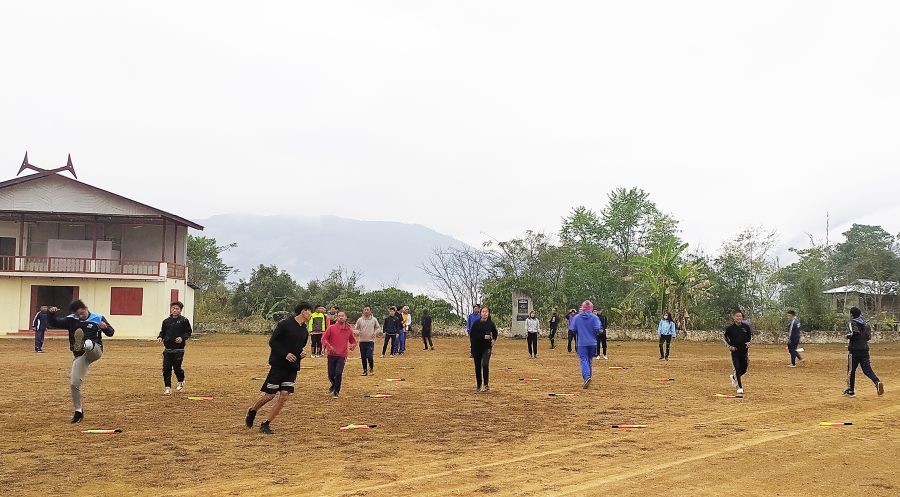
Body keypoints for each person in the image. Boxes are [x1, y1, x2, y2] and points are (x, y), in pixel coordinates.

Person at [246, 302, 311, 434]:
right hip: (279, 365)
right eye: (309, 311)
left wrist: (301, 354)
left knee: (284, 396)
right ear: (303, 311)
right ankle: (253, 410)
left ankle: (266, 423)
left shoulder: (304, 330)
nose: (311, 314)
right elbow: (273, 342)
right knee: (270, 395)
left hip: (292, 367)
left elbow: (299, 347)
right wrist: (285, 354)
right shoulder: (285, 324)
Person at [47, 300, 115, 424]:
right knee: (74, 384)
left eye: (82, 313)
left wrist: (105, 328)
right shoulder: (71, 319)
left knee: (88, 344)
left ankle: (83, 344)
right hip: (80, 356)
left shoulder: (98, 317)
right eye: (78, 315)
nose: (80, 316)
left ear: (86, 308)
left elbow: (111, 332)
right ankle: (78, 411)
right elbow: (54, 323)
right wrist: (51, 314)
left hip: (95, 350)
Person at [843, 307, 885, 398]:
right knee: (867, 370)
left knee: (851, 370)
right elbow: (868, 337)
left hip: (854, 350)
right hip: (865, 350)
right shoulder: (866, 324)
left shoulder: (851, 322)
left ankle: (850, 390)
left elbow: (853, 333)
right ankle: (877, 382)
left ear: (852, 314)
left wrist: (847, 336)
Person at [158, 301, 193, 395]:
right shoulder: (166, 321)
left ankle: (181, 381)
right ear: (170, 309)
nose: (175, 310)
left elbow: (188, 332)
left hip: (179, 349)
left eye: (177, 309)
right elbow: (163, 332)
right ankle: (167, 388)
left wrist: (182, 338)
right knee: (166, 369)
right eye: (173, 308)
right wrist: (160, 337)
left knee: (177, 368)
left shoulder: (184, 320)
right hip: (168, 349)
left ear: (180, 310)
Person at [322, 310, 358, 399]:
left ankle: (336, 391)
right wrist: (328, 346)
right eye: (339, 316)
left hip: (342, 355)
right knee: (331, 374)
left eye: (343, 315)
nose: (341, 317)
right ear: (337, 317)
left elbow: (353, 341)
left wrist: (353, 345)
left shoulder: (348, 330)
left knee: (338, 373)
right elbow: (324, 339)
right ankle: (334, 384)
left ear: (346, 318)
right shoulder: (331, 328)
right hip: (331, 354)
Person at [571, 301, 601, 389]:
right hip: (592, 343)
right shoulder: (595, 318)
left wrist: (580, 331)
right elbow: (597, 329)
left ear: (582, 308)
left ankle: (586, 377)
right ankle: (588, 377)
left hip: (582, 343)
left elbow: (573, 329)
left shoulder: (577, 318)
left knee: (583, 360)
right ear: (591, 308)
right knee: (589, 360)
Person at [470, 306, 498, 392]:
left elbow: (495, 332)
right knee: (477, 367)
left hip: (486, 347)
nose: (484, 313)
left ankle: (486, 384)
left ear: (489, 313)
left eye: (486, 312)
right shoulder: (476, 323)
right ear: (480, 313)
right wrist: (483, 337)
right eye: (483, 312)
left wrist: (493, 340)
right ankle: (479, 385)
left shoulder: (491, 323)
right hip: (476, 347)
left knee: (485, 364)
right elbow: (472, 336)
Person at [724, 310, 752, 396]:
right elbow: (725, 338)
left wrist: (749, 342)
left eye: (740, 316)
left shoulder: (746, 327)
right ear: (733, 317)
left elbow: (750, 337)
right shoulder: (729, 329)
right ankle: (739, 387)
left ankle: (734, 377)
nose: (739, 318)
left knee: (744, 369)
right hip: (735, 351)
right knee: (737, 368)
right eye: (737, 316)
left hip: (744, 351)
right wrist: (729, 346)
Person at [354, 306, 380, 375]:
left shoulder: (374, 320)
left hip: (370, 341)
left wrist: (375, 333)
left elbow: (378, 328)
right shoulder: (359, 320)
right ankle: (365, 370)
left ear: (370, 311)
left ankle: (371, 368)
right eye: (365, 310)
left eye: (367, 310)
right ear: (363, 311)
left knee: (369, 356)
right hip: (362, 341)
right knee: (363, 357)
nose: (366, 311)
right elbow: (356, 328)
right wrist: (357, 332)